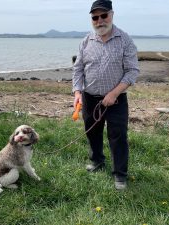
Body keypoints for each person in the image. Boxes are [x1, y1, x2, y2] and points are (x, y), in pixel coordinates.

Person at [72, 0, 139, 190]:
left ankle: (120, 174)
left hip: (116, 100)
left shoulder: (125, 40)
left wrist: (114, 93)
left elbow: (132, 71)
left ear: (112, 15)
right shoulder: (86, 41)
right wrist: (77, 92)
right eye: (95, 17)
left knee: (117, 136)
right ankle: (97, 161)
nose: (99, 20)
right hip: (90, 98)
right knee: (92, 132)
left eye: (103, 16)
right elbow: (78, 70)